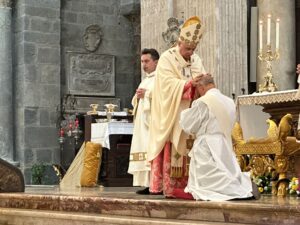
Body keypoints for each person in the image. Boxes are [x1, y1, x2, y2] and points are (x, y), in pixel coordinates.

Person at [174, 74, 259, 201]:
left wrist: (187, 110)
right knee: (225, 169)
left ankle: (235, 190)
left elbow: (189, 124)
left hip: (207, 143)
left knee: (208, 175)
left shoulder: (204, 102)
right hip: (224, 142)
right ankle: (241, 186)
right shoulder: (229, 101)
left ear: (201, 87)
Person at [147, 16, 206, 197]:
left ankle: (192, 185)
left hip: (192, 112)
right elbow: (166, 85)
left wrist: (202, 82)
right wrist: (188, 84)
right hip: (172, 112)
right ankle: (172, 187)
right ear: (179, 42)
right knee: (175, 145)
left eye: (193, 49)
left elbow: (202, 77)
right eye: (188, 48)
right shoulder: (167, 58)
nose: (190, 52)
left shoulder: (195, 59)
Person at [127, 48, 159, 194]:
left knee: (150, 151)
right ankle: (146, 184)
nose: (144, 65)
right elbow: (136, 102)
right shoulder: (145, 80)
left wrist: (147, 94)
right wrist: (139, 96)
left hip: (152, 123)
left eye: (147, 61)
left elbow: (163, 98)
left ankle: (155, 183)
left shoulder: (160, 79)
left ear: (156, 62)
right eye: (142, 61)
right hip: (142, 123)